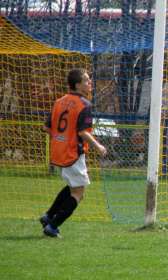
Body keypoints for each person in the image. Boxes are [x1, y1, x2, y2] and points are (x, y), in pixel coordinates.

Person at [39, 68, 107, 238]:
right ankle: (52, 226)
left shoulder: (60, 101)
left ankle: (48, 215)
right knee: (78, 193)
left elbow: (46, 128)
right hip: (72, 153)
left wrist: (62, 137)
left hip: (57, 151)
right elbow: (83, 133)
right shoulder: (84, 104)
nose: (90, 83)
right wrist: (99, 147)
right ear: (78, 85)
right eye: (86, 80)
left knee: (72, 186)